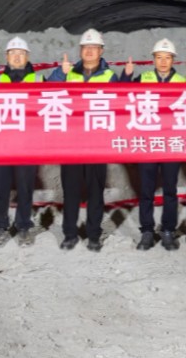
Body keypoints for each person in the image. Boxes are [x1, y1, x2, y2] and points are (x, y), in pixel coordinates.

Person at [46, 29, 122, 252]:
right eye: (85, 47)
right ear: (80, 50)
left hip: (97, 144)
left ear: (101, 51)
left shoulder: (110, 77)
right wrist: (60, 74)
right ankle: (70, 234)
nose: (89, 51)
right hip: (71, 143)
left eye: (94, 47)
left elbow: (119, 105)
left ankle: (93, 235)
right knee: (70, 191)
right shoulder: (68, 73)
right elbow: (46, 94)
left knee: (95, 192)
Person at [129, 38, 186, 251]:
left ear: (173, 60)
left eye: (167, 57)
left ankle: (168, 230)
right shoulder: (142, 79)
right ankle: (147, 230)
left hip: (172, 143)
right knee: (146, 190)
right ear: (153, 59)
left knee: (170, 189)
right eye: (159, 57)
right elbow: (122, 94)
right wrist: (126, 76)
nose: (163, 61)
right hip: (148, 144)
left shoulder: (182, 81)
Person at [0, 37, 39, 248]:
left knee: (25, 188)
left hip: (28, 144)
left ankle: (23, 226)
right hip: (2, 144)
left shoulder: (39, 80)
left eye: (21, 53)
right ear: (6, 57)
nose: (17, 57)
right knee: (1, 188)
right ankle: (0, 226)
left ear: (27, 57)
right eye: (13, 53)